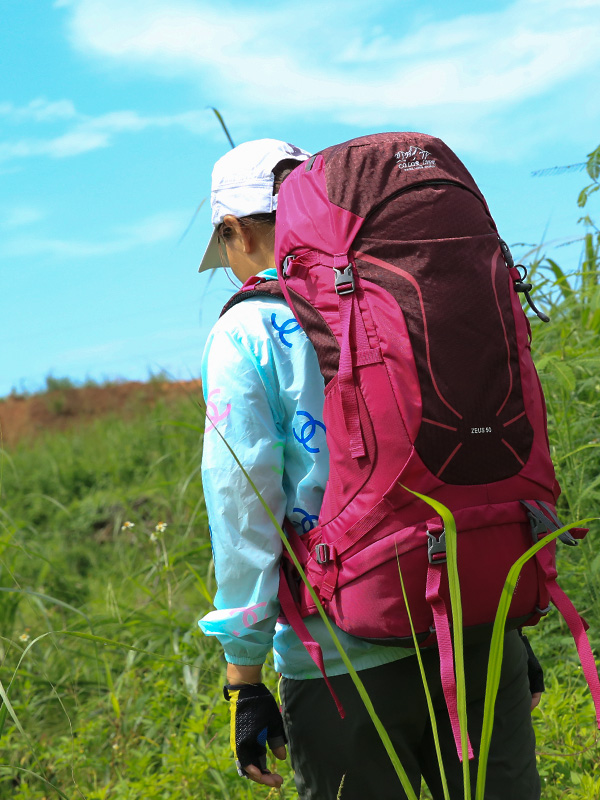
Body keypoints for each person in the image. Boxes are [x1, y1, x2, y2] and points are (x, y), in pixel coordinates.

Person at [196, 138, 545, 799]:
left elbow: (244, 508)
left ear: (234, 231)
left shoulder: (246, 332)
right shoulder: (408, 295)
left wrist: (242, 679)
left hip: (342, 658)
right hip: (477, 622)